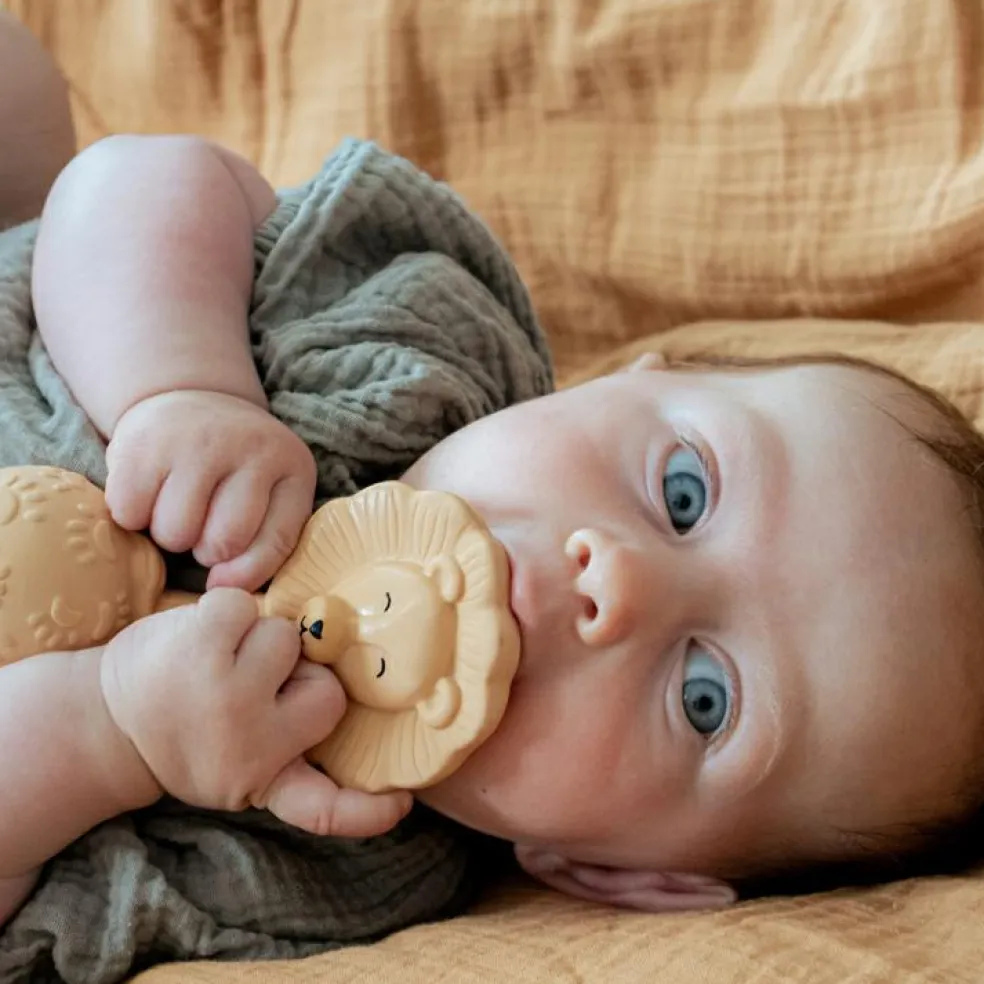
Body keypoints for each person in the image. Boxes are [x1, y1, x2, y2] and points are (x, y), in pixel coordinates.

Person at [4, 14, 984, 940]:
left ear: (625, 874)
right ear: (635, 381)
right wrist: (179, 384)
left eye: (704, 700)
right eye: (685, 494)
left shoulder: (330, 863)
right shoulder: (426, 354)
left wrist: (107, 734)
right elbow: (128, 183)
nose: (619, 583)